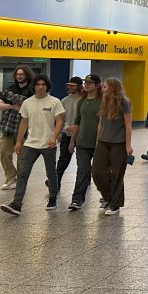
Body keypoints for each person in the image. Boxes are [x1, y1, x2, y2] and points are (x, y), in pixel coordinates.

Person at [0, 75, 65, 216]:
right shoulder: (27, 103)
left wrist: (54, 137)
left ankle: (53, 198)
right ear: (34, 86)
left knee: (51, 173)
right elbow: (23, 122)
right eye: (38, 84)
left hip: (48, 144)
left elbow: (60, 121)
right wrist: (18, 142)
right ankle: (16, 204)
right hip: (30, 144)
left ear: (47, 86)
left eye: (43, 84)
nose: (40, 87)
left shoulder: (55, 102)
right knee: (22, 173)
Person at [92, 77, 133, 216]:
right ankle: (109, 198)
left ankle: (115, 205)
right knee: (97, 172)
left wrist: (128, 145)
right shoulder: (104, 101)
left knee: (116, 174)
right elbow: (101, 123)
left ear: (113, 88)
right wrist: (97, 140)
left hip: (119, 143)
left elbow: (128, 125)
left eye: (104, 87)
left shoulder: (124, 102)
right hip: (103, 141)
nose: (102, 89)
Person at [0, 65, 35, 190]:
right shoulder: (11, 88)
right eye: (18, 74)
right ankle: (11, 176)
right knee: (4, 152)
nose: (19, 76)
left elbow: (28, 104)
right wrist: (12, 106)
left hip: (25, 127)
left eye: (22, 74)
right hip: (8, 125)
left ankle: (21, 180)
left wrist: (14, 100)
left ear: (27, 75)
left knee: (22, 156)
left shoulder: (32, 90)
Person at [66, 74, 101, 210]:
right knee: (82, 170)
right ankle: (77, 199)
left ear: (97, 85)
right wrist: (72, 141)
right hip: (82, 143)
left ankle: (107, 197)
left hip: (99, 143)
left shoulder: (102, 101)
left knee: (99, 172)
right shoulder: (82, 101)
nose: (86, 85)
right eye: (85, 82)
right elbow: (77, 122)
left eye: (90, 83)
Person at [55, 76, 84, 183]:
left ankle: (85, 180)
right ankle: (56, 181)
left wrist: (77, 127)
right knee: (64, 158)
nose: (70, 87)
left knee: (82, 160)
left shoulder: (84, 100)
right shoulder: (64, 101)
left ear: (79, 86)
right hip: (67, 134)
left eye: (73, 85)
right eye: (69, 85)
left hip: (81, 134)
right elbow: (61, 118)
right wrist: (66, 127)